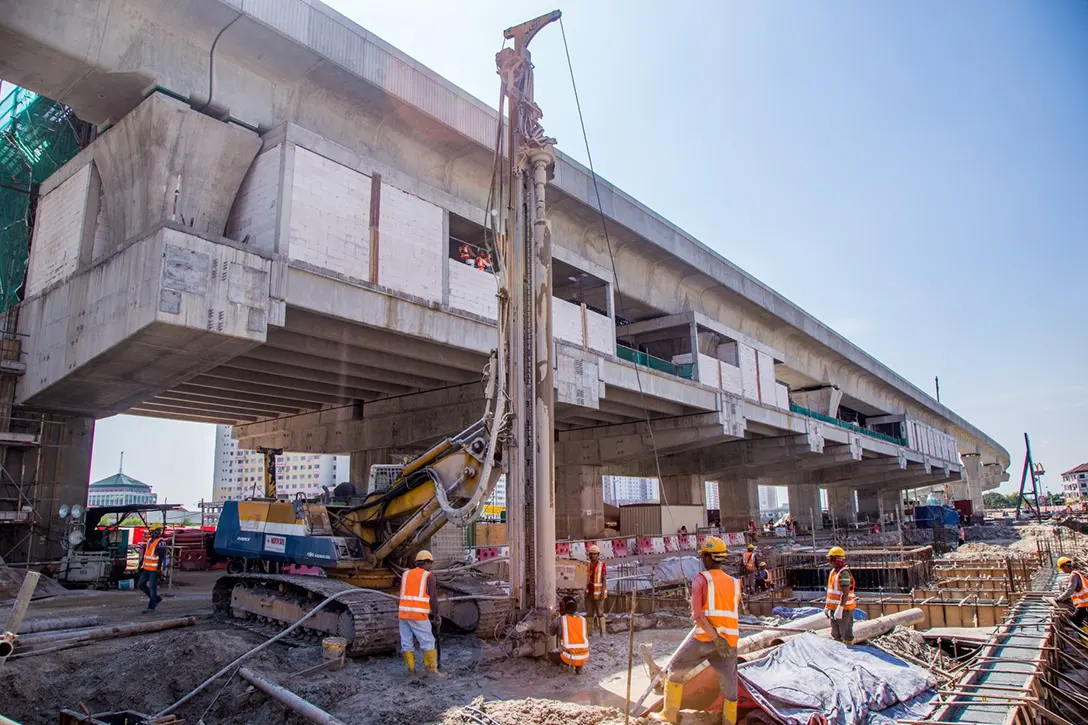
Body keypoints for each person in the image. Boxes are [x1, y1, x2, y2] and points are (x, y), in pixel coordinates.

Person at [650, 536, 740, 725]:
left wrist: (715, 638)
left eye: (703, 556)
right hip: (730, 640)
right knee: (730, 683)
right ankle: (729, 721)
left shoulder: (701, 579)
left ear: (707, 557)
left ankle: (669, 714)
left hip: (706, 639)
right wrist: (722, 639)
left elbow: (698, 615)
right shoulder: (734, 583)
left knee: (676, 668)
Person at [398, 550, 443, 676]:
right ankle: (431, 671)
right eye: (430, 563)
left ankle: (411, 670)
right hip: (418, 615)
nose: (431, 567)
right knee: (428, 641)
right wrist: (436, 615)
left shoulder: (406, 574)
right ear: (427, 562)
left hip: (403, 614)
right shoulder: (428, 576)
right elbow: (433, 598)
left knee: (406, 643)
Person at [549, 596, 589, 674]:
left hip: (569, 658)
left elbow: (551, 633)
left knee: (551, 654)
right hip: (584, 657)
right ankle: (579, 667)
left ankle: (568, 667)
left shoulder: (561, 619)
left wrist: (553, 619)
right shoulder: (583, 620)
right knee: (576, 650)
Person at [824, 546, 856, 644]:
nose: (829, 562)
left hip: (844, 610)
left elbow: (845, 592)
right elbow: (831, 593)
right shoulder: (833, 572)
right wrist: (827, 607)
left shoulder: (844, 573)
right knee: (835, 635)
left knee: (846, 636)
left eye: (831, 559)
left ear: (836, 560)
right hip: (834, 609)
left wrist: (840, 607)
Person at [137, 524, 167, 613]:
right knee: (141, 585)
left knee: (152, 588)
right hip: (146, 568)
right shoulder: (149, 540)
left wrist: (158, 569)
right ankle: (156, 599)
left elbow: (161, 557)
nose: (152, 533)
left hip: (154, 570)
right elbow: (146, 553)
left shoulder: (161, 543)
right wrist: (141, 564)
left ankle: (151, 607)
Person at [1056, 556, 1088, 632]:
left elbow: (1070, 590)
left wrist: (1059, 599)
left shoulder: (1073, 575)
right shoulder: (1077, 573)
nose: (1063, 570)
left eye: (1062, 568)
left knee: (1075, 621)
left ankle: (1086, 641)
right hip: (1085, 604)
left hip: (1084, 604)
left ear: (1064, 566)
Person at [586, 544, 607, 636]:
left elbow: (604, 579)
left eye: (594, 554)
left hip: (598, 594)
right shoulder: (587, 565)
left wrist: (602, 593)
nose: (592, 555)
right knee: (589, 613)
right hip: (589, 593)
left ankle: (603, 632)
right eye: (591, 554)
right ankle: (589, 633)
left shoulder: (602, 565)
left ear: (598, 555)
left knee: (600, 612)